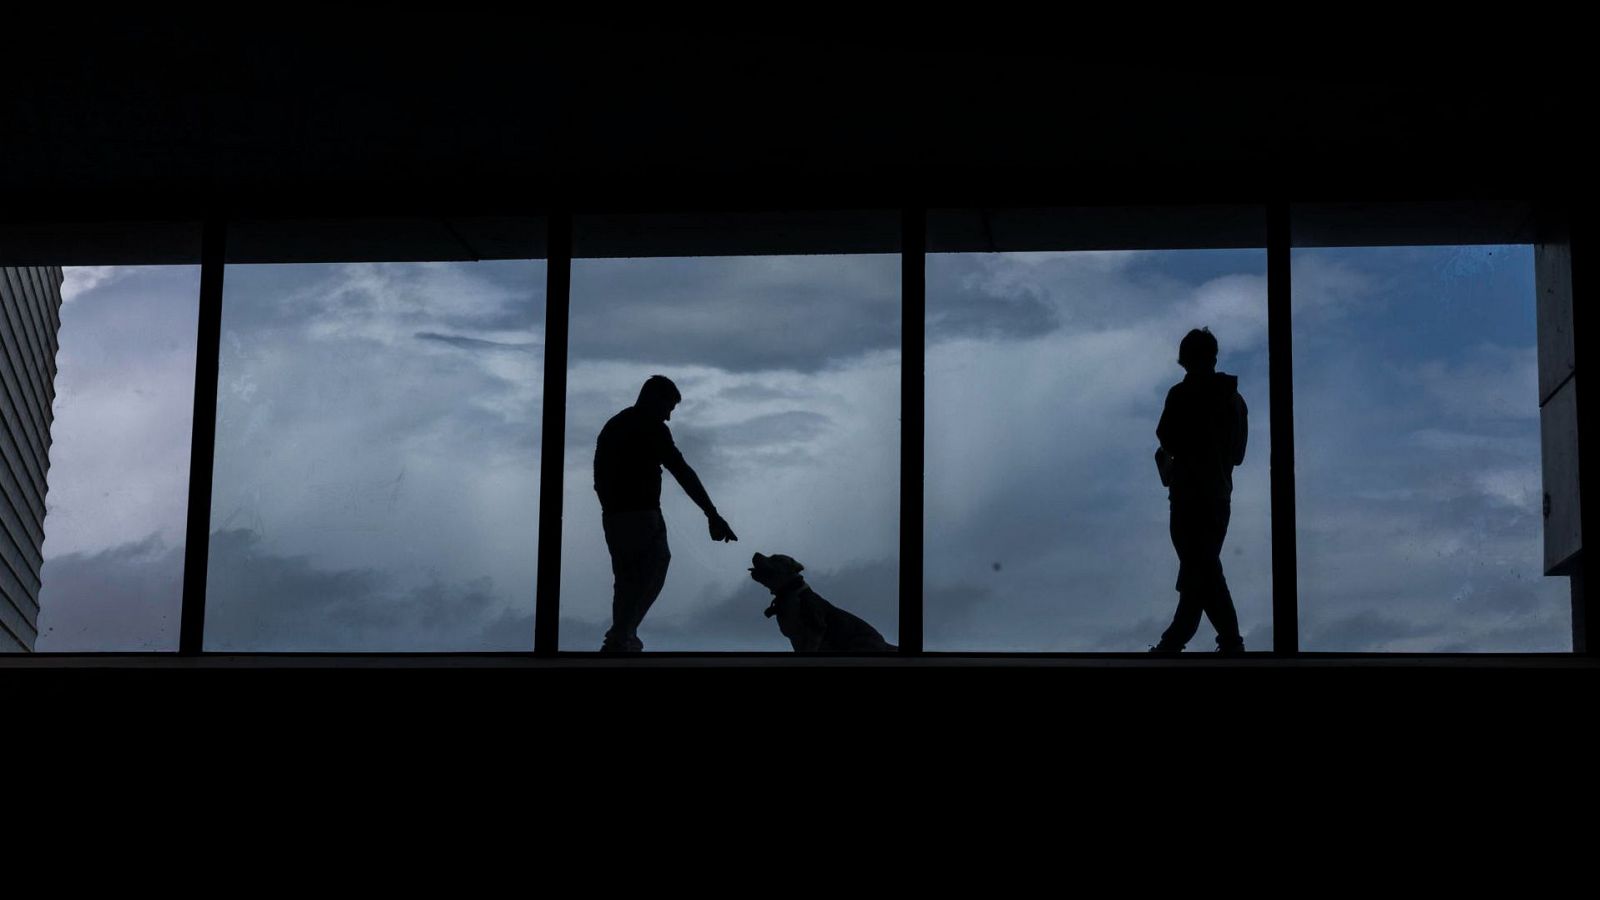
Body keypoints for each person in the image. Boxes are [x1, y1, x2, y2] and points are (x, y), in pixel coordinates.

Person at [594, 375, 737, 652]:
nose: (669, 417)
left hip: (614, 515)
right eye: (668, 408)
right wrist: (712, 514)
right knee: (654, 566)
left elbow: (599, 474)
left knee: (627, 579)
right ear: (654, 399)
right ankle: (622, 636)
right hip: (640, 514)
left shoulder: (615, 425)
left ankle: (621, 638)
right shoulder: (650, 427)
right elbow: (681, 470)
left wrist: (610, 507)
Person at [1150, 328, 1248, 655]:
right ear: (1214, 357)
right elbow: (1238, 454)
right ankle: (1184, 640)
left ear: (1185, 360)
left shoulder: (1180, 396)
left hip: (1186, 496)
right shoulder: (1235, 400)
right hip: (1219, 496)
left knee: (1200, 570)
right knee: (1202, 568)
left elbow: (1166, 436)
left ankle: (1186, 640)